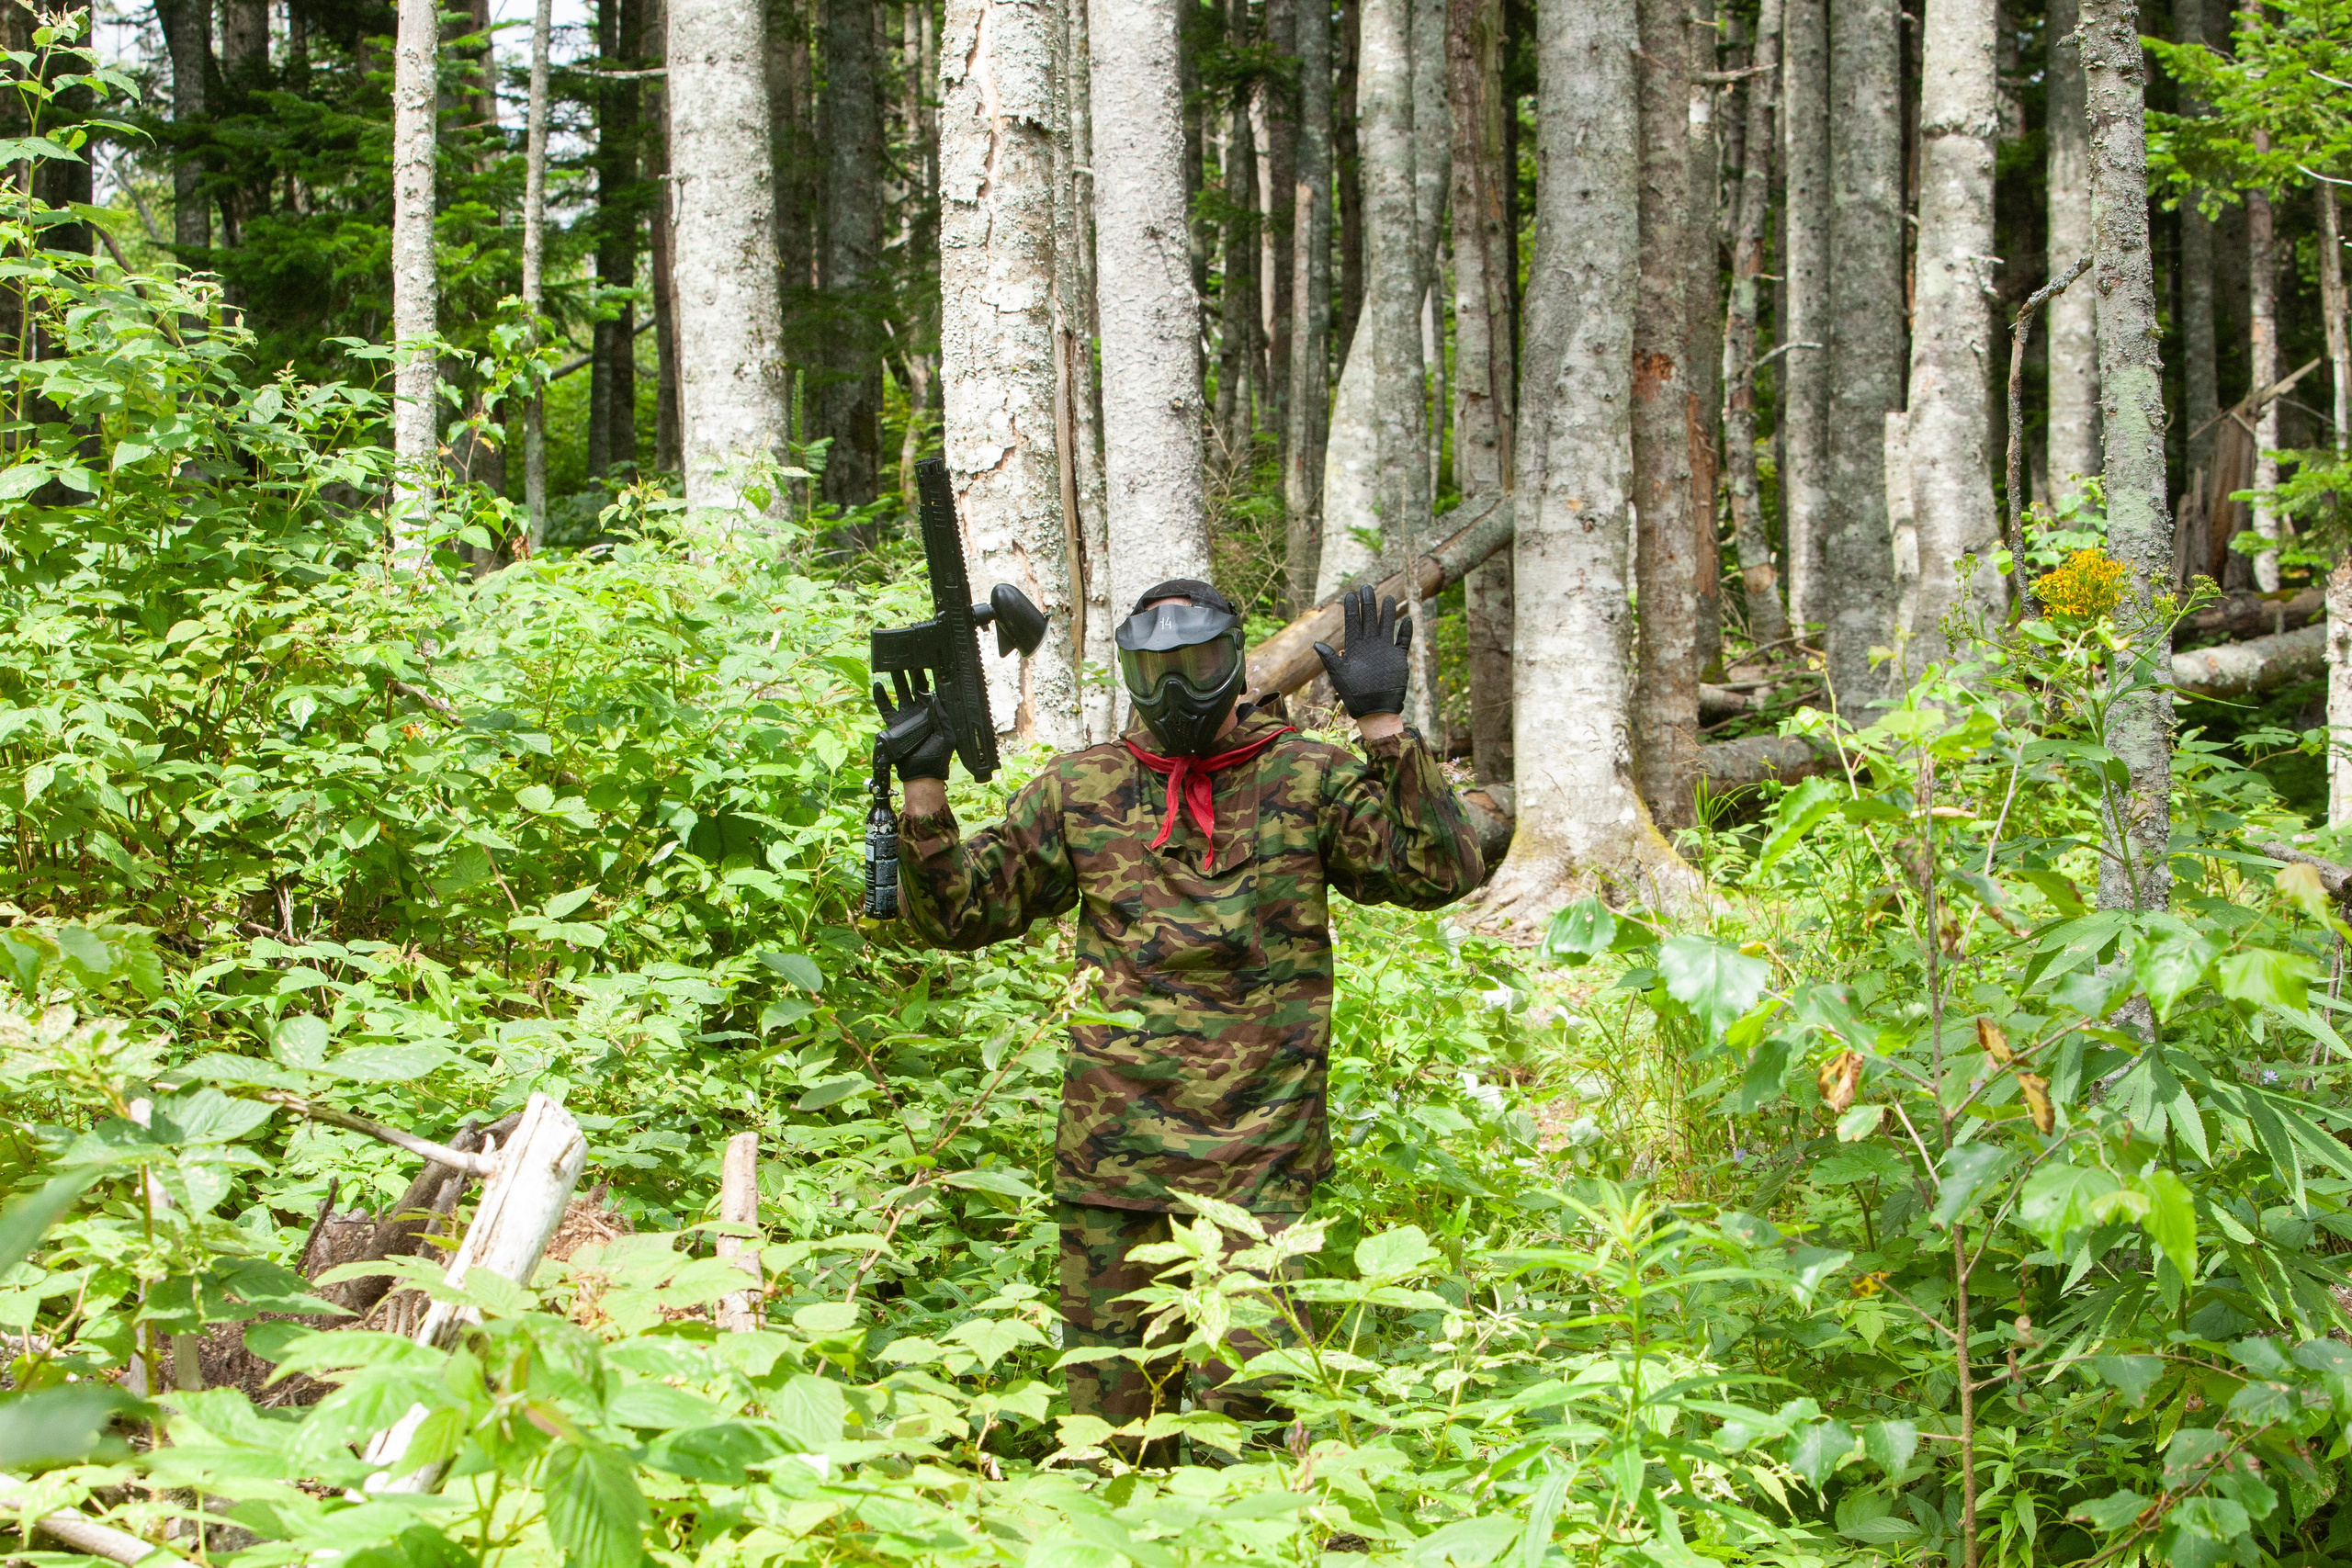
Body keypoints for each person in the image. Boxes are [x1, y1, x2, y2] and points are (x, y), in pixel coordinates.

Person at [870, 578, 1484, 1455]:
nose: (1178, 688)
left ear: (1234, 662)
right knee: (1113, 1435)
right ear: (1129, 671)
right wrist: (925, 788)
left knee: (1252, 1422)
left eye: (1197, 663)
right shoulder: (1083, 788)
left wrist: (1384, 730)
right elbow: (960, 914)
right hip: (1113, 1165)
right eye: (1155, 669)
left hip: (1257, 1170)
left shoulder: (1305, 776)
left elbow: (1437, 870)